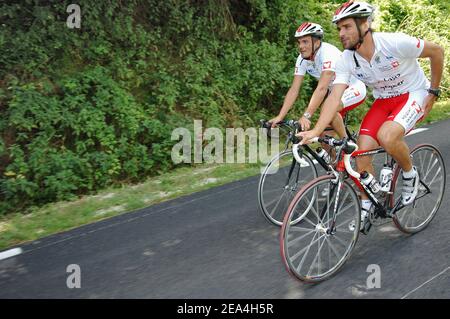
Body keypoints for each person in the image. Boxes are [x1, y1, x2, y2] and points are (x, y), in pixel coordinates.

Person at [297, 1, 444, 230]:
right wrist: (316, 132)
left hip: (412, 93)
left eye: (346, 27)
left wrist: (433, 93)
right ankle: (368, 205)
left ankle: (409, 173)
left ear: (364, 24)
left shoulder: (393, 43)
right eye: (339, 28)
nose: (341, 33)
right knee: (360, 154)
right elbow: (334, 98)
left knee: (387, 136)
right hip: (384, 100)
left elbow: (437, 51)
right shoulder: (347, 58)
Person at [270, 22, 367, 145]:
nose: (300, 46)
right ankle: (336, 163)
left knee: (328, 108)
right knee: (324, 140)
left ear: (316, 42)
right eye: (299, 42)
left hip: (353, 88)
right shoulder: (302, 59)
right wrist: (280, 116)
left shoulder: (328, 53)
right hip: (335, 93)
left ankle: (347, 144)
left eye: (305, 42)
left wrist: (307, 115)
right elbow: (294, 89)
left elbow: (322, 89)